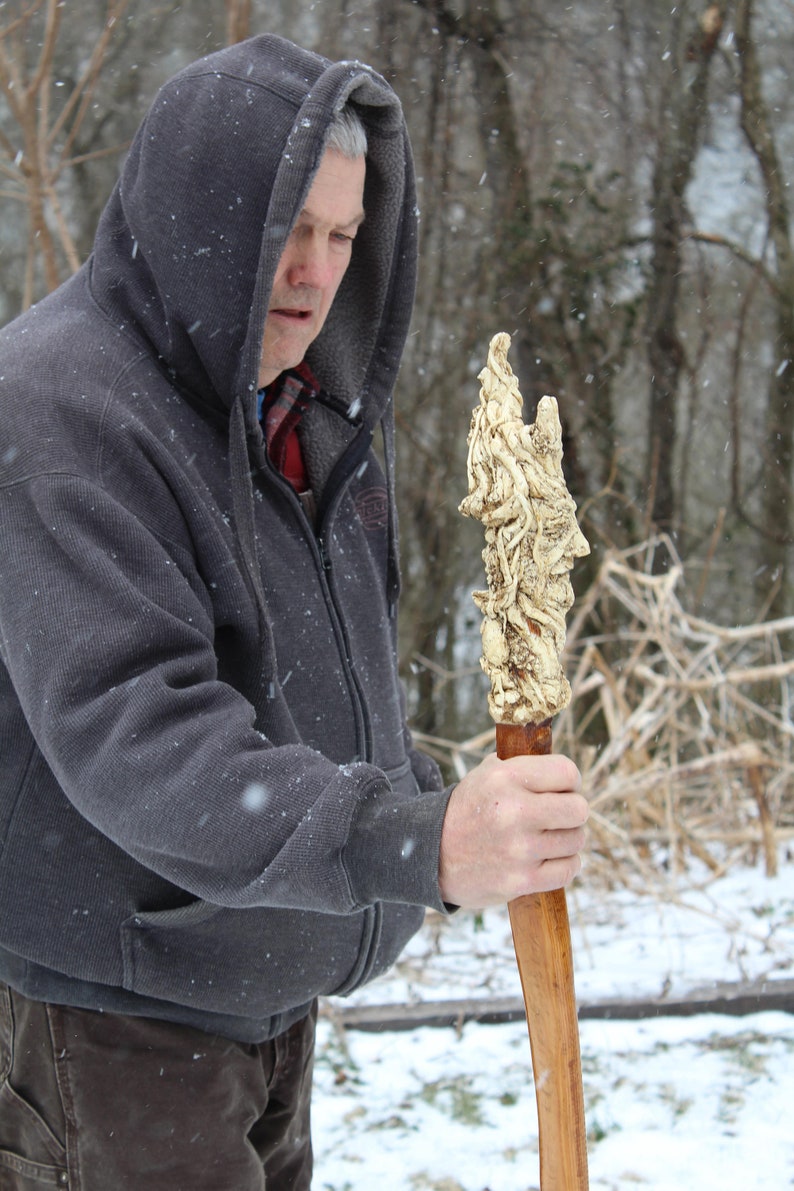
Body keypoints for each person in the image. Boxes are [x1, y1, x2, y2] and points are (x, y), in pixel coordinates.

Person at [0, 33, 587, 1190]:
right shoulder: (58, 409)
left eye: (340, 236)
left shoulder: (304, 414)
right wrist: (411, 842)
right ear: (191, 216)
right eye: (286, 233)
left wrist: (462, 816)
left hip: (263, 988)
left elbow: (342, 692)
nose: (314, 273)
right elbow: (141, 739)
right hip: (116, 1017)